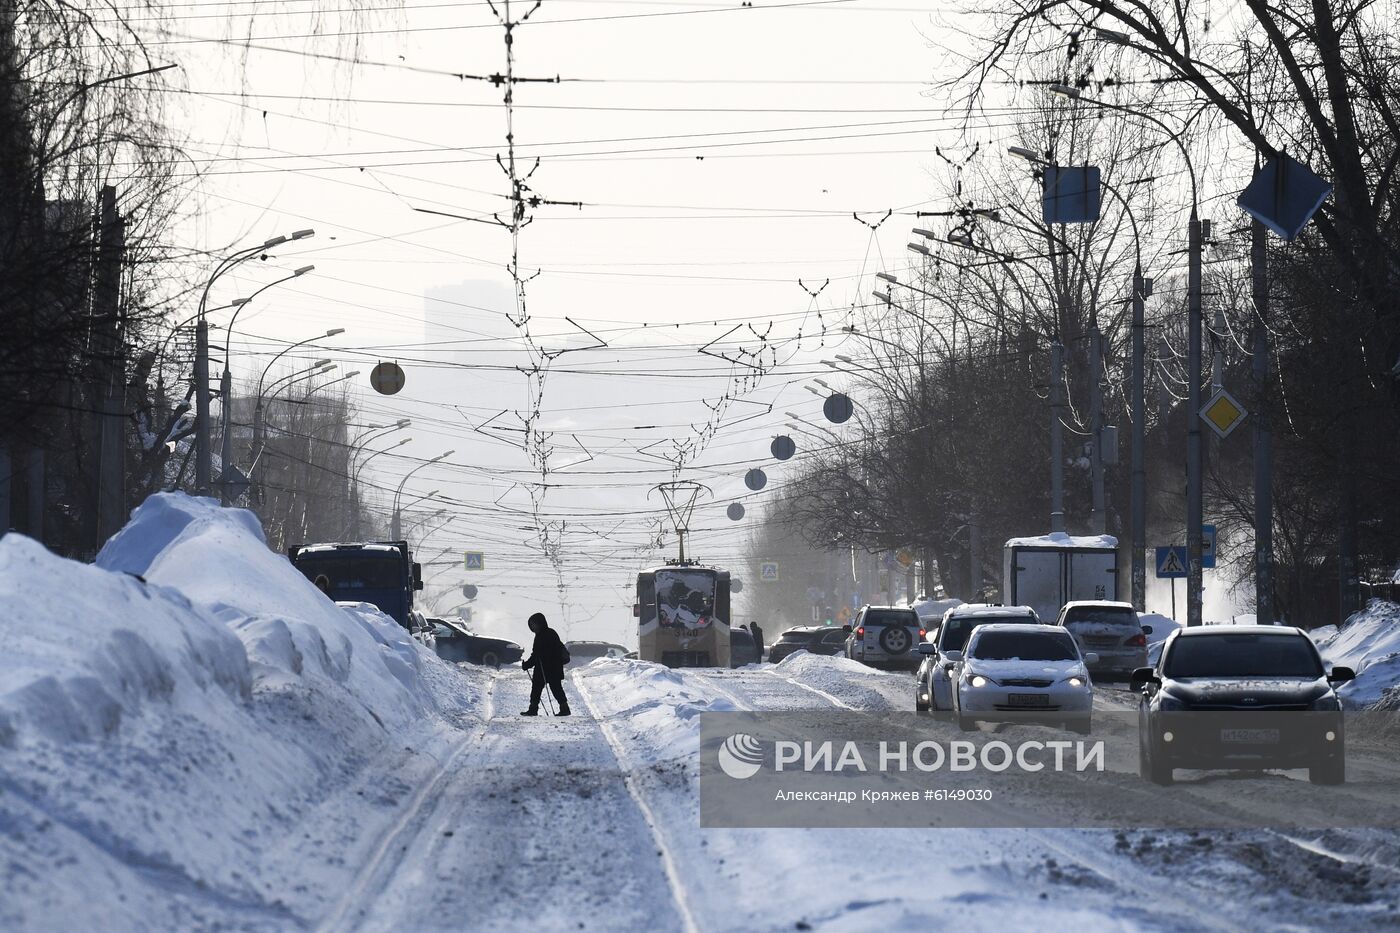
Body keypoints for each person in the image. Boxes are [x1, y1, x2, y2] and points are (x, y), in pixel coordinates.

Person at [521, 612, 570, 717]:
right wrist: (529, 664)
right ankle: (534, 709)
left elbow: (537, 654)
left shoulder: (546, 634)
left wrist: (527, 665)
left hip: (550, 667)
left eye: (534, 624)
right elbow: (537, 654)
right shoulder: (546, 634)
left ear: (540, 623)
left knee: (553, 688)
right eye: (531, 624)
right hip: (548, 667)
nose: (532, 626)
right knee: (538, 688)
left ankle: (563, 708)